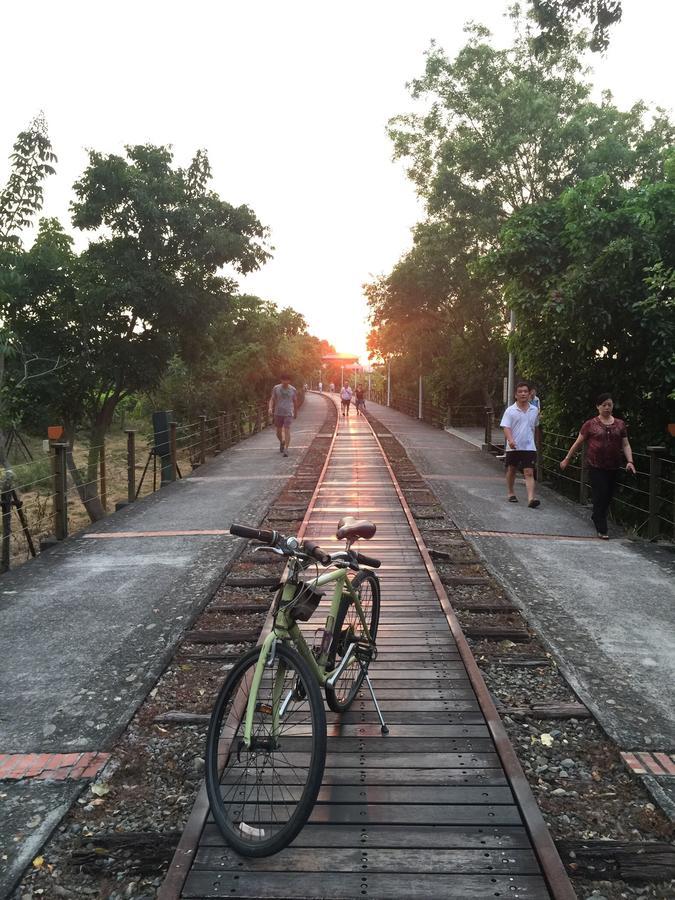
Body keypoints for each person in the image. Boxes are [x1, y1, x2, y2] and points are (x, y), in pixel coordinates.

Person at [560, 393, 636, 539]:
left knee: (608, 495)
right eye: (604, 405)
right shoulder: (590, 424)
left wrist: (630, 461)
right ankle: (602, 528)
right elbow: (578, 442)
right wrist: (567, 459)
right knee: (600, 493)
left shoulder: (620, 424)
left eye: (610, 405)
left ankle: (597, 515)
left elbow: (625, 444)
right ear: (598, 407)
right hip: (596, 465)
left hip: (614, 465)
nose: (607, 407)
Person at [500, 381, 541, 508]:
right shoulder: (510, 410)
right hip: (514, 446)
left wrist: (535, 443)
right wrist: (510, 440)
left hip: (529, 447)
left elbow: (535, 427)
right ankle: (511, 492)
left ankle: (530, 498)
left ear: (529, 394)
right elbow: (506, 427)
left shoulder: (534, 410)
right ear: (516, 395)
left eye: (525, 391)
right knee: (512, 469)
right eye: (520, 391)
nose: (523, 394)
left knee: (529, 472)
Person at [269, 374, 298, 457]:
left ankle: (286, 449)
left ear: (289, 381)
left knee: (287, 430)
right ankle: (282, 441)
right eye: (283, 380)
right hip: (278, 412)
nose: (285, 382)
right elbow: (272, 399)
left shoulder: (293, 390)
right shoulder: (276, 388)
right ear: (281, 380)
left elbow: (295, 401)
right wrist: (270, 408)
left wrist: (295, 412)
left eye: (287, 380)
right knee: (278, 432)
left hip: (288, 413)